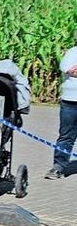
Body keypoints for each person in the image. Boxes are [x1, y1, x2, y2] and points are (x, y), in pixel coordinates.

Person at [49, 34, 77, 180]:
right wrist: (72, 71)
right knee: (66, 136)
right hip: (70, 101)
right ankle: (58, 167)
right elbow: (67, 68)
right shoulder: (72, 52)